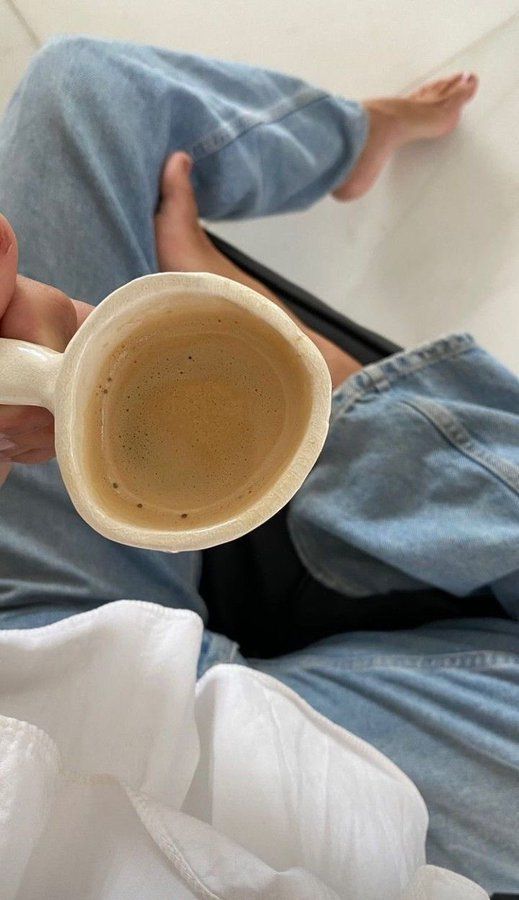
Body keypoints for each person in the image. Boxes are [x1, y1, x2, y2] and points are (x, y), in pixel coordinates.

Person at [0, 36, 517, 893]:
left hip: (47, 664)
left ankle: (353, 142)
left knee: (82, 90)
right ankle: (324, 387)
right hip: (348, 834)